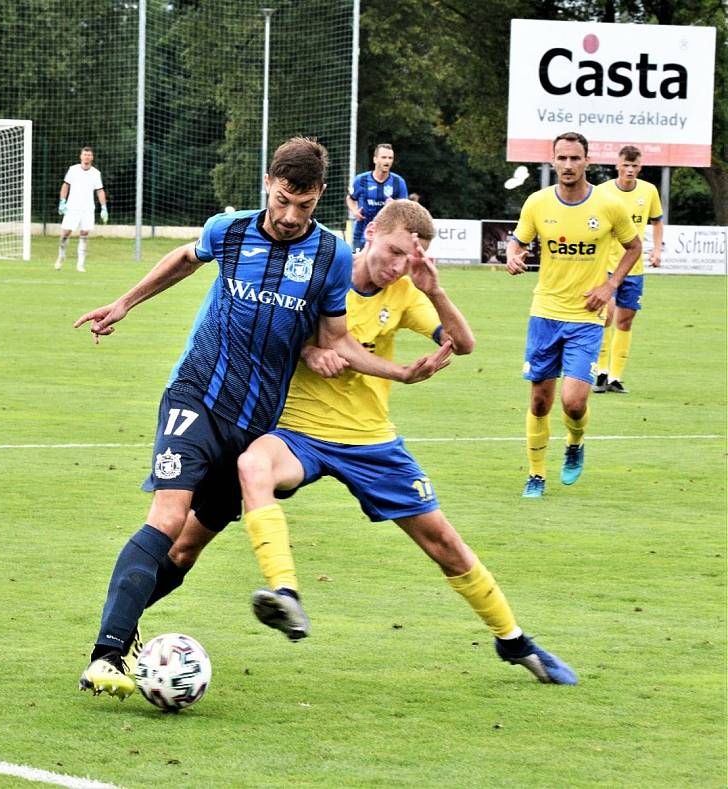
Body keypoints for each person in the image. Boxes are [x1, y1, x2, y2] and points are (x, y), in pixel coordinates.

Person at [73, 138, 451, 700]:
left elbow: (336, 340)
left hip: (254, 424)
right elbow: (183, 259)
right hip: (196, 397)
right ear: (269, 185)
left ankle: (123, 629)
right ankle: (106, 654)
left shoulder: (330, 257)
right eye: (282, 201)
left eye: (304, 206)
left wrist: (397, 374)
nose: (291, 217)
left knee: (187, 548)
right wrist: (125, 303)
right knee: (168, 517)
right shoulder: (229, 229)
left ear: (320, 196)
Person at [232, 199, 577, 684]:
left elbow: (465, 343)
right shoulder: (321, 271)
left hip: (372, 442)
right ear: (370, 232)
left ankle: (514, 641)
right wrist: (309, 350)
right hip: (300, 431)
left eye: (408, 259)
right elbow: (270, 333)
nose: (396, 266)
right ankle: (286, 593)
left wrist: (435, 292)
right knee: (253, 466)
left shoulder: (405, 291)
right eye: (392, 251)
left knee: (446, 545)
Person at [506, 132, 641, 498]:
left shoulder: (609, 205)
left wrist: (610, 286)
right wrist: (512, 254)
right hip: (544, 313)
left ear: (587, 161)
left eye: (575, 158)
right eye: (562, 158)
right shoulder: (536, 203)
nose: (568, 165)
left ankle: (574, 442)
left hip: (586, 315)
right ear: (553, 161)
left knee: (574, 401)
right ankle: (536, 475)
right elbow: (517, 240)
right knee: (539, 401)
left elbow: (634, 246)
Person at [592, 146, 663, 394]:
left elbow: (656, 220)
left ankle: (615, 377)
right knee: (606, 316)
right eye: (626, 165)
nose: (630, 170)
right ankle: (599, 372)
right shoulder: (602, 192)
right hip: (607, 266)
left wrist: (656, 250)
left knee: (625, 321)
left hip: (635, 267)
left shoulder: (649, 191)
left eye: (635, 166)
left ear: (640, 167)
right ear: (617, 165)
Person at [54, 147, 108, 273]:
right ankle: (60, 257)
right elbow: (65, 185)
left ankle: (80, 264)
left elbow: (100, 190)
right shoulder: (73, 170)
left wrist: (103, 207)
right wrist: (62, 201)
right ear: (81, 156)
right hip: (72, 207)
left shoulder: (96, 173)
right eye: (85, 154)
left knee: (84, 234)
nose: (87, 157)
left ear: (92, 157)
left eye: (89, 155)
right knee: (65, 233)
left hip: (88, 208)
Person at [346, 143, 407, 252]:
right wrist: (355, 211)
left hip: (387, 234)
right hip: (361, 232)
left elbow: (405, 209)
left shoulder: (399, 182)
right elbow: (350, 199)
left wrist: (394, 205)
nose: (387, 161)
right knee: (358, 267)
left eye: (390, 158)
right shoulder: (361, 180)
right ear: (375, 159)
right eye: (384, 157)